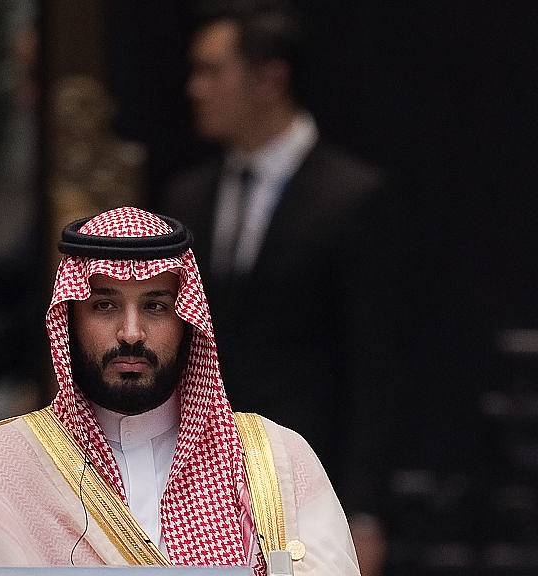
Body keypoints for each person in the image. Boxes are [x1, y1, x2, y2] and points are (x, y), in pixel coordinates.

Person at [0, 207, 362, 576]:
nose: (132, 332)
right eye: (104, 305)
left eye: (156, 305)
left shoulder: (277, 464)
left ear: (187, 320)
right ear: (69, 319)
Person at [155, 2, 408, 574]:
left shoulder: (351, 197)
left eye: (211, 72)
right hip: (197, 491)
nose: (194, 89)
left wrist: (363, 512)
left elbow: (376, 365)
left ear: (271, 79)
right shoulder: (188, 197)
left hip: (305, 486)